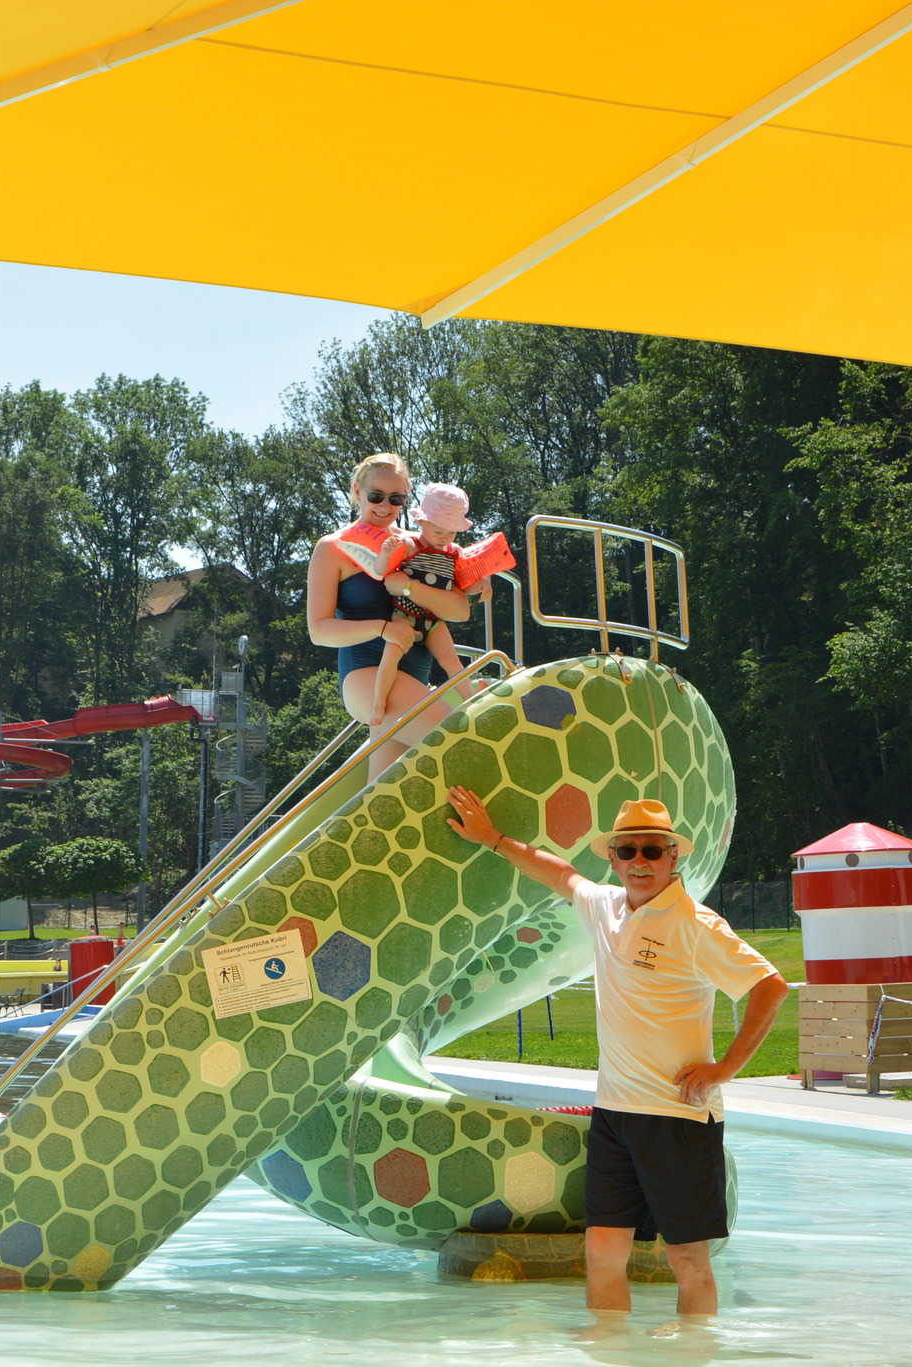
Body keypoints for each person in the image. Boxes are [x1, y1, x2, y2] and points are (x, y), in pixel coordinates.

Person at [444, 787, 790, 1319]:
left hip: (678, 1116)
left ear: (673, 857)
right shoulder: (605, 907)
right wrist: (492, 839)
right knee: (603, 1251)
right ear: (612, 857)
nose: (639, 861)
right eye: (627, 850)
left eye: (652, 850)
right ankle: (608, 1350)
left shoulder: (697, 925)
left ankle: (694, 1354)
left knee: (687, 1259)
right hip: (614, 1114)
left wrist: (726, 1068)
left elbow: (770, 986)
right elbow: (560, 875)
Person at [307, 453, 473, 777]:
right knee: (461, 746)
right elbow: (319, 630)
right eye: (376, 496)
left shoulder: (417, 544)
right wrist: (383, 629)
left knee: (385, 795)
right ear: (358, 491)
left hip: (416, 678)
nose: (385, 506)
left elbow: (459, 611)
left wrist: (409, 587)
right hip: (367, 676)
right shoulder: (332, 548)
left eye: (396, 499)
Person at [362, 483, 478, 728]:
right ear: (422, 522)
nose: (444, 537)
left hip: (433, 620)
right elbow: (380, 571)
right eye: (438, 530)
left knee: (451, 661)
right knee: (391, 656)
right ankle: (378, 702)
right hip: (404, 614)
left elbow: (468, 581)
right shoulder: (409, 545)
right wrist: (385, 554)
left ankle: (474, 700)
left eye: (451, 532)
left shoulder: (454, 552)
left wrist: (483, 583)